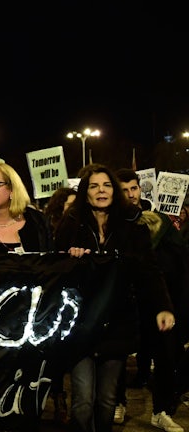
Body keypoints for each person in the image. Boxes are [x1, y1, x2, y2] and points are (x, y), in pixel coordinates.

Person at [55, 163, 176, 432]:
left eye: (107, 185)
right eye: (95, 186)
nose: (101, 190)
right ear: (85, 192)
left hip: (116, 323)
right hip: (79, 325)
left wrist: (162, 307)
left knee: (108, 401)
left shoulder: (133, 225)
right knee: (83, 401)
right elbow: (55, 269)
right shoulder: (70, 224)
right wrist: (70, 259)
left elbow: (149, 271)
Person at [114, 167, 189, 431]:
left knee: (165, 356)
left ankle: (162, 410)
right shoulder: (111, 224)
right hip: (123, 304)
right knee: (118, 356)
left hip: (157, 302)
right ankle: (118, 402)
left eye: (133, 188)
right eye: (123, 190)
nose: (130, 194)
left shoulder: (160, 222)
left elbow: (179, 261)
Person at [42, 186, 77, 425]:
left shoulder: (80, 230)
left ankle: (60, 397)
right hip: (48, 298)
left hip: (69, 299)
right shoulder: (47, 230)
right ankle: (55, 396)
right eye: (69, 204)